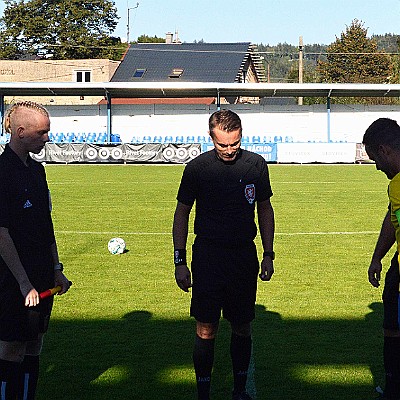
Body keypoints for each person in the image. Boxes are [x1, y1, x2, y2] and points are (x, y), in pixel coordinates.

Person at [172, 109, 275, 400]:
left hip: (243, 256)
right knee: (206, 329)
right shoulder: (197, 169)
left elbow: (264, 209)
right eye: (222, 145)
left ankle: (239, 390)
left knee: (242, 325)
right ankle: (203, 393)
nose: (229, 150)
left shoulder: (256, 165)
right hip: (208, 257)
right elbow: (181, 213)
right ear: (211, 138)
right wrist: (180, 261)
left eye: (235, 143)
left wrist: (269, 253)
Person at [0, 101, 71, 399]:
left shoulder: (37, 171)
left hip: (42, 274)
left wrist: (57, 269)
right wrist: (23, 282)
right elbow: (1, 232)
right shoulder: (2, 172)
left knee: (34, 342)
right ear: (20, 132)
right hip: (13, 280)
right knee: (12, 347)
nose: (47, 138)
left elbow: (46, 223)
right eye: (42, 133)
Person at [363, 118, 400, 400]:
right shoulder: (396, 185)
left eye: (375, 158)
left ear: (385, 150)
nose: (376, 166)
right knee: (391, 328)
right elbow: (392, 216)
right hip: (397, 267)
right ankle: (392, 388)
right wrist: (378, 257)